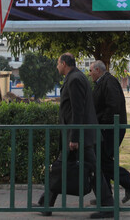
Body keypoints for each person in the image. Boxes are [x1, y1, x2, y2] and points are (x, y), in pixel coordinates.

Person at [35, 54, 114, 218]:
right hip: (77, 135)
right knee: (61, 167)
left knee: (91, 171)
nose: (57, 66)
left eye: (58, 63)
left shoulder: (75, 79)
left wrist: (74, 138)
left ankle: (108, 207)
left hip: (79, 137)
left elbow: (78, 111)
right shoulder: (76, 77)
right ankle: (46, 203)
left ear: (64, 64)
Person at [89, 60, 130, 204]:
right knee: (101, 160)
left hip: (110, 129)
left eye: (91, 71)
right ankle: (106, 197)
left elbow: (113, 106)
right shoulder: (103, 82)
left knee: (102, 160)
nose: (90, 74)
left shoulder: (109, 82)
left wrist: (103, 124)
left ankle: (128, 183)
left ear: (97, 70)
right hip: (107, 128)